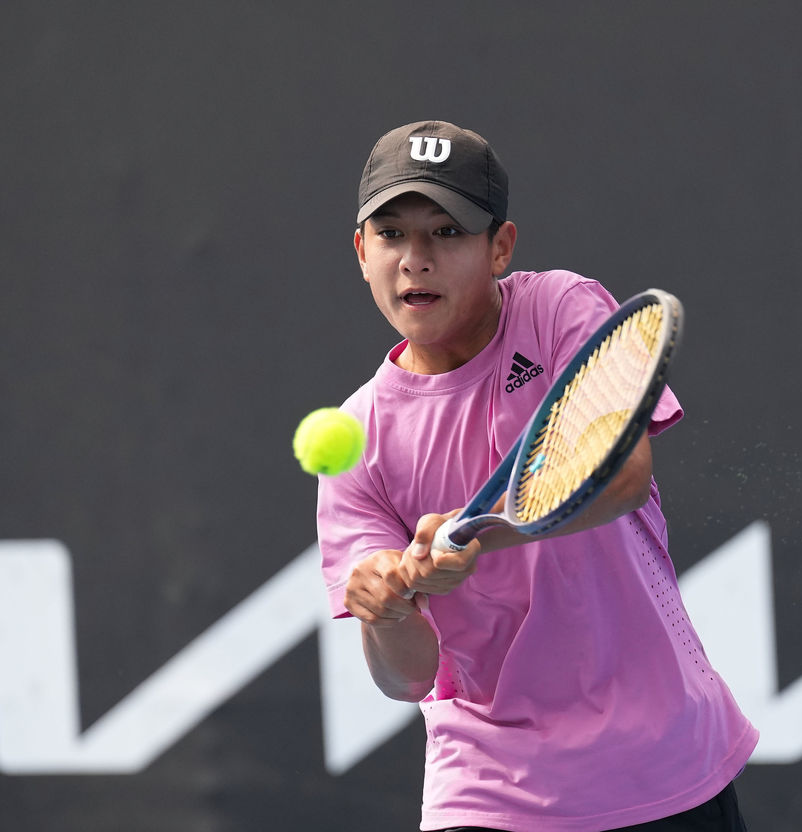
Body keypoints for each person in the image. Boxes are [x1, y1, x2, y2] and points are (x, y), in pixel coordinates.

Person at [315, 120, 758, 832]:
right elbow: (406, 679)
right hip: (487, 791)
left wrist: (475, 539)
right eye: (392, 234)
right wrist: (388, 611)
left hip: (663, 764)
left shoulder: (559, 310)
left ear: (500, 247)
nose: (415, 260)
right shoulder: (357, 438)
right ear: (362, 251)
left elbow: (622, 477)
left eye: (447, 233)